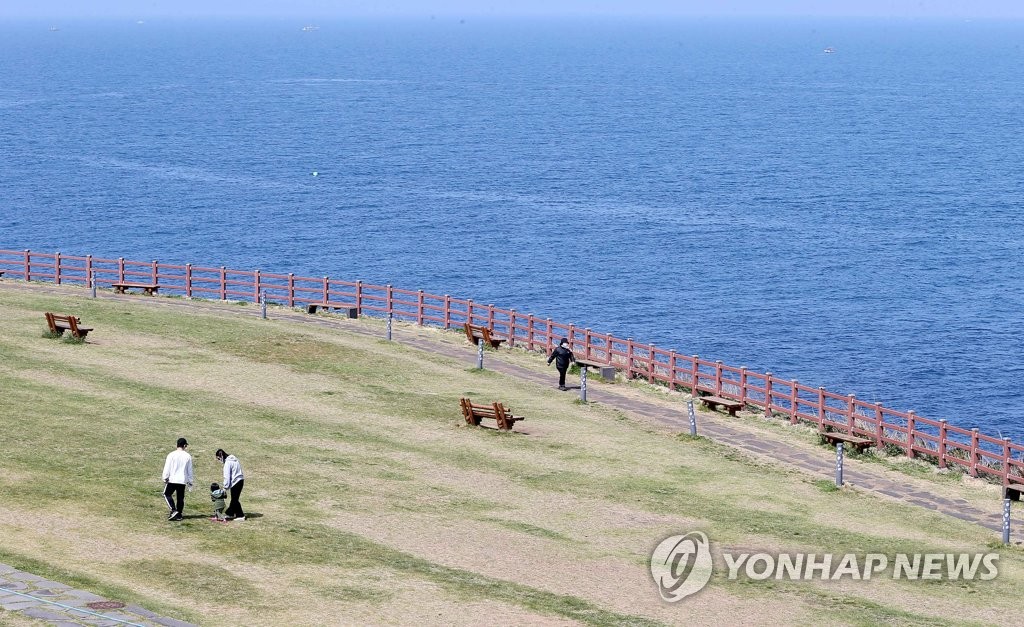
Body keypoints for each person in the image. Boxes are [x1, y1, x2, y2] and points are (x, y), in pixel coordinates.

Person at [162, 437, 193, 521]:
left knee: (166, 494)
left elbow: (167, 467)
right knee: (180, 498)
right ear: (184, 445)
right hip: (182, 480)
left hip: (172, 479)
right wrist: (190, 482)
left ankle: (173, 510)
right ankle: (179, 514)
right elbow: (189, 470)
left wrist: (165, 477)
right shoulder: (187, 456)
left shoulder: (171, 455)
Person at [215, 449, 245, 521]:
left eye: (219, 458)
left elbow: (227, 476)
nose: (219, 460)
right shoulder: (235, 459)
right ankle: (230, 513)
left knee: (235, 500)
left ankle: (240, 515)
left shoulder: (227, 463)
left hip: (236, 481)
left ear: (221, 456)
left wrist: (225, 487)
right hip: (240, 480)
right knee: (234, 498)